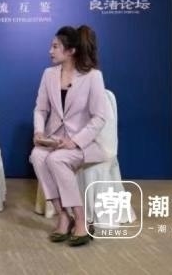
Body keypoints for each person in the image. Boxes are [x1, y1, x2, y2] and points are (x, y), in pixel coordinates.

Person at [30, 25, 111, 247]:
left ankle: (81, 221)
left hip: (82, 143)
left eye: (55, 46)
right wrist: (39, 131)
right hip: (54, 139)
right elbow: (40, 109)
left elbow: (99, 118)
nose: (50, 51)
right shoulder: (48, 74)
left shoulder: (93, 76)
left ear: (71, 51)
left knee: (56, 160)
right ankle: (63, 216)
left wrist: (74, 141)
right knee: (37, 156)